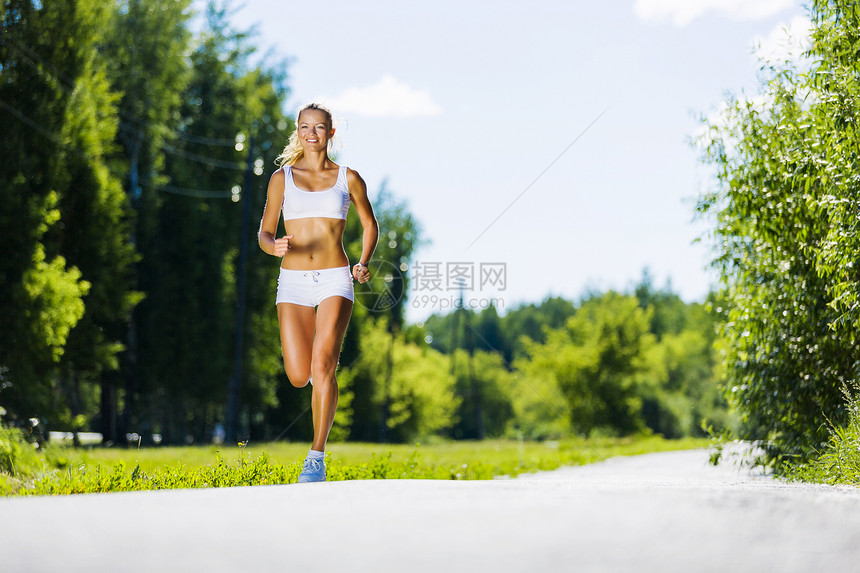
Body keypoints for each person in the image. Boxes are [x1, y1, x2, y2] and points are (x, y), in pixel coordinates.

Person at [258, 103, 378, 483]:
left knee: (323, 366)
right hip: (292, 281)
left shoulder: (348, 178)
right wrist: (271, 245)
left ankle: (316, 456)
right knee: (298, 375)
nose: (312, 134)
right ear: (298, 131)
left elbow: (370, 225)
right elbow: (264, 231)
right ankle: (317, 382)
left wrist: (363, 261)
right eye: (305, 127)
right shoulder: (282, 178)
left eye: (319, 127)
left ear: (330, 133)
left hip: (334, 279)